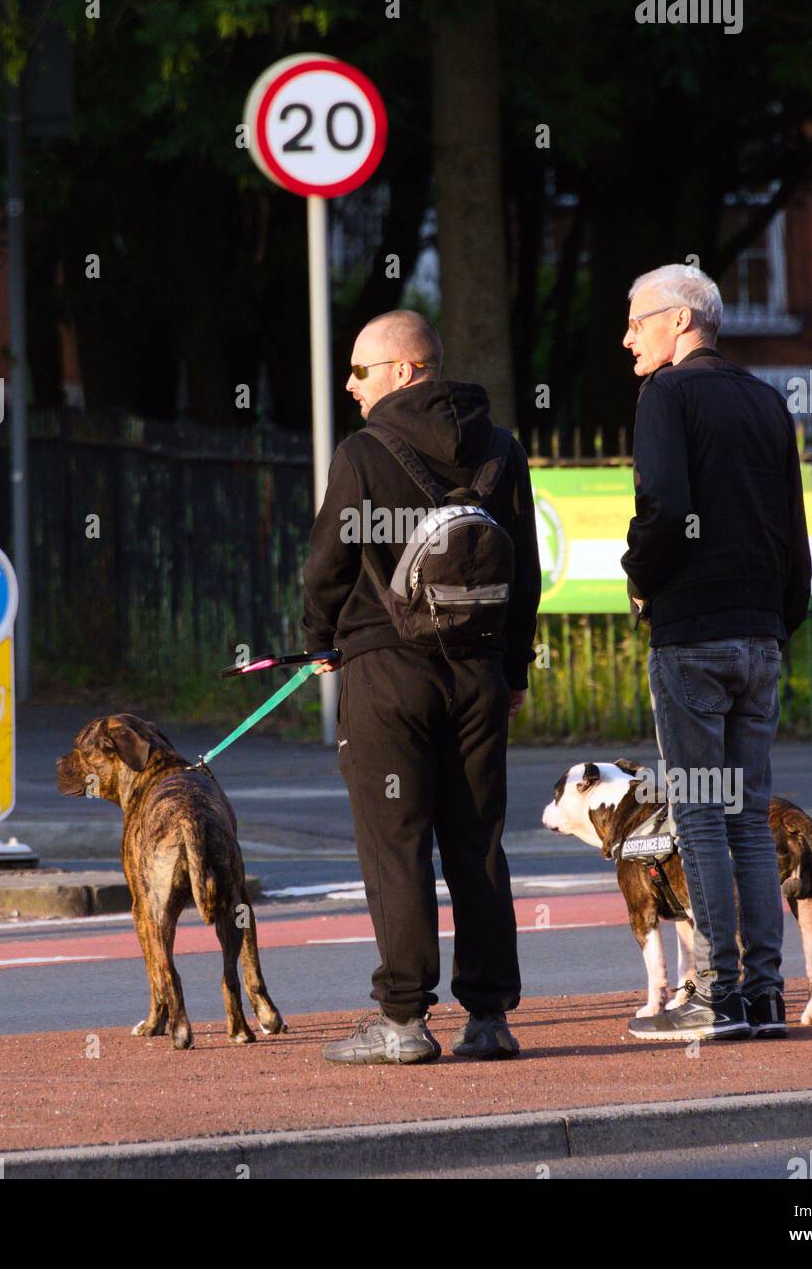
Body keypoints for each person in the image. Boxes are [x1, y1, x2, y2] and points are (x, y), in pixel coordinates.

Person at [302, 309, 541, 1064]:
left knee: (395, 844)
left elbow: (328, 565)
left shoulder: (365, 451)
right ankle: (489, 1018)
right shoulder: (501, 448)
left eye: (360, 371)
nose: (350, 385)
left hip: (385, 670)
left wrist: (319, 645)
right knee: (478, 843)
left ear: (404, 371)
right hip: (477, 671)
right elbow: (524, 571)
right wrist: (514, 668)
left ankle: (403, 1021)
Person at [620, 264, 811, 1041]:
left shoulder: (667, 395)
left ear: (676, 321)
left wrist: (639, 578)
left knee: (699, 813)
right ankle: (763, 995)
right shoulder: (766, 400)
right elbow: (792, 528)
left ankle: (715, 995)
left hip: (693, 632)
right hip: (759, 632)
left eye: (636, 321)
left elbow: (663, 508)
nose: (627, 337)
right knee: (744, 815)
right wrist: (780, 618)